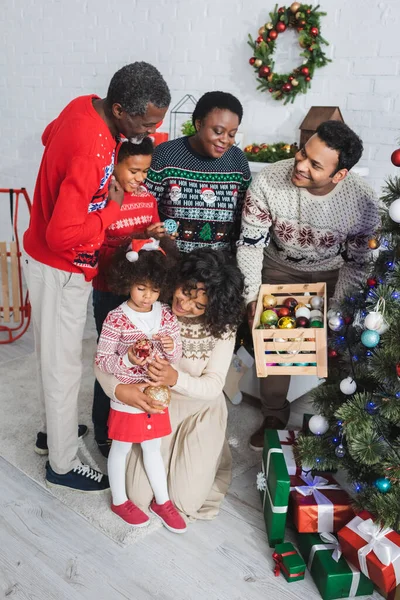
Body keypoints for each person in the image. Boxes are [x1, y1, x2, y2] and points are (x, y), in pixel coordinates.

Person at [23, 62, 171, 492]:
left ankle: (55, 433)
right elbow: (63, 233)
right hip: (60, 266)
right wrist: (109, 208)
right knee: (64, 367)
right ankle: (62, 463)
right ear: (120, 108)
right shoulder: (93, 147)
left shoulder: (82, 106)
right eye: (145, 123)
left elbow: (49, 134)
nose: (147, 133)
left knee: (50, 357)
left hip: (46, 259)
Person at [236, 120, 380, 450]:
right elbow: (250, 244)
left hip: (333, 273)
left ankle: (338, 421)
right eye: (303, 153)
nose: (300, 165)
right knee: (275, 339)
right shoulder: (270, 180)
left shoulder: (363, 202)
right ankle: (273, 414)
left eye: (315, 164)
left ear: (339, 175)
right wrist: (251, 296)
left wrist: (338, 312)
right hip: (279, 267)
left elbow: (359, 265)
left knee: (342, 344)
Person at [95, 249, 244, 522]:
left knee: (185, 501)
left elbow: (213, 385)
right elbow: (102, 361)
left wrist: (176, 379)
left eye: (199, 306)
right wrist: (119, 391)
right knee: (137, 496)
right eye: (186, 293)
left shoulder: (222, 326)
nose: (186, 305)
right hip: (155, 404)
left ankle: (207, 448)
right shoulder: (149, 302)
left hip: (200, 408)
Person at [95, 238, 187, 532]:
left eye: (155, 289)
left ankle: (163, 501)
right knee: (120, 449)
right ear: (127, 281)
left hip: (157, 396)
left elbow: (177, 355)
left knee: (152, 448)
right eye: (140, 288)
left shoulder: (166, 315)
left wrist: (171, 347)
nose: (148, 296)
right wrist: (131, 359)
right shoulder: (116, 318)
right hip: (127, 398)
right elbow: (103, 360)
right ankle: (119, 500)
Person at [91, 137, 170, 457]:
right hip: (111, 291)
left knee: (140, 360)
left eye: (145, 171)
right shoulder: (104, 197)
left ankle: (135, 423)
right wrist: (131, 243)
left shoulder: (148, 197)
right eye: (134, 170)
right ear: (115, 164)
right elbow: (95, 246)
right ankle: (104, 429)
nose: (140, 178)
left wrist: (154, 236)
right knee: (110, 363)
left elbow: (150, 239)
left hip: (143, 295)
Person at [145, 91, 251, 253]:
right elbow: (144, 207)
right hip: (171, 263)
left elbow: (245, 217)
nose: (225, 140)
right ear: (199, 124)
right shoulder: (165, 155)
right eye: (218, 131)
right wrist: (152, 233)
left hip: (219, 267)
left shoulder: (238, 160)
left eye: (231, 134)